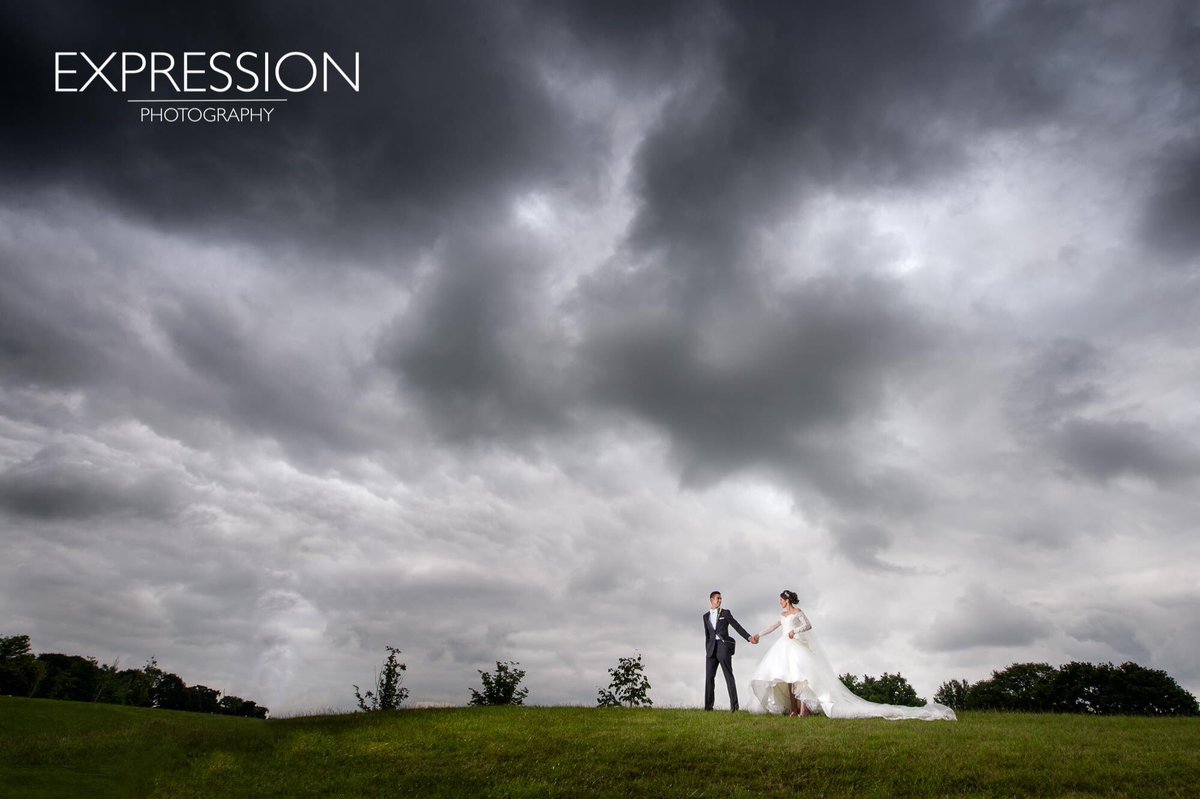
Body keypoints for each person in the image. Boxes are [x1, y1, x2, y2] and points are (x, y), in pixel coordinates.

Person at [748, 589, 956, 721]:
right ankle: (793, 710)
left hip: (796, 646)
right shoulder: (783, 615)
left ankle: (803, 710)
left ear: (787, 600)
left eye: (781, 600)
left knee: (801, 679)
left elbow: (808, 625)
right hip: (783, 647)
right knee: (787, 680)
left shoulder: (797, 612)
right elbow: (774, 626)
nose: (780, 603)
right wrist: (759, 634)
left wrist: (796, 631)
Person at [703, 590, 756, 711]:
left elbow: (737, 626)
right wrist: (707, 649)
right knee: (709, 678)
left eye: (720, 598)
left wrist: (749, 637)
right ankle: (708, 707)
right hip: (711, 649)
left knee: (728, 676)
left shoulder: (725, 613)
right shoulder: (705, 616)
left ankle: (734, 707)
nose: (720, 600)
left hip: (723, 647)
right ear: (711, 600)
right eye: (718, 598)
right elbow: (707, 635)